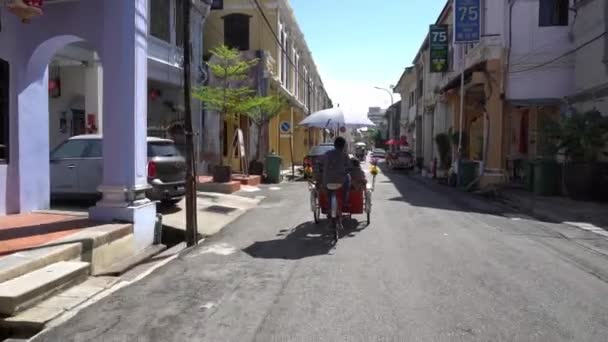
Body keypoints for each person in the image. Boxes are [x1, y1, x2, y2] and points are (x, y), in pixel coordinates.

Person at [322, 137, 351, 211]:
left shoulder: (327, 154)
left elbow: (321, 163)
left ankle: (328, 205)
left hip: (327, 181)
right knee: (348, 178)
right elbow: (349, 166)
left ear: (334, 145)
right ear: (344, 146)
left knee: (326, 189)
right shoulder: (345, 155)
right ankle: (344, 200)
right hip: (340, 181)